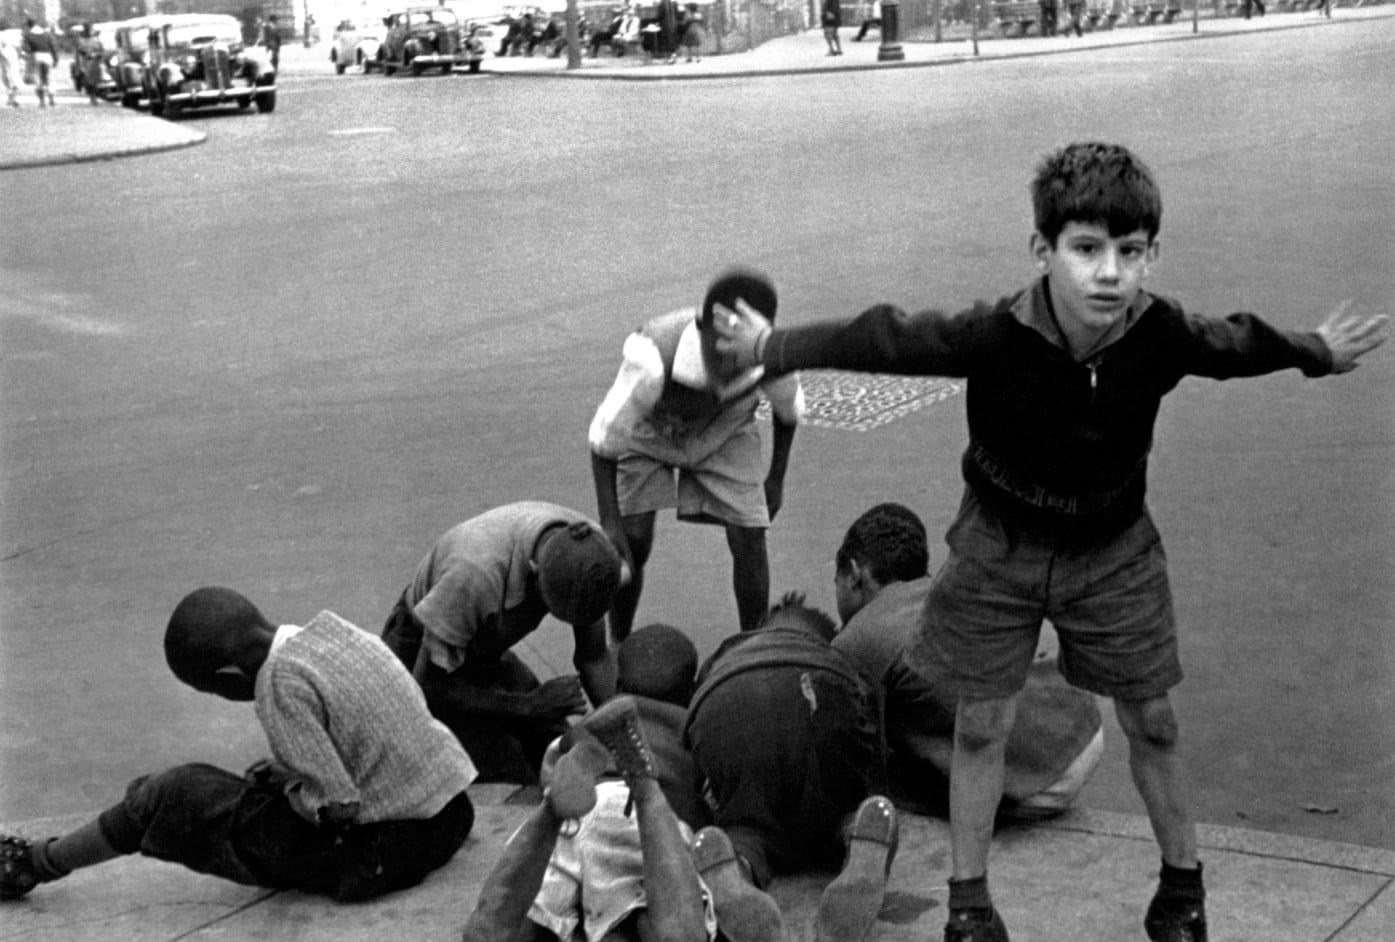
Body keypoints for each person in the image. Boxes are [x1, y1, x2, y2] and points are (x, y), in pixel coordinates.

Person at [712, 140, 1388, 942]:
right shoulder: (992, 334)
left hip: (1112, 548)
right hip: (999, 546)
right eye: (1086, 250)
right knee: (980, 723)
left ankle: (1181, 892)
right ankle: (968, 906)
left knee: (1154, 719)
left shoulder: (1157, 331)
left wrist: (1313, 351)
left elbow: (1233, 343)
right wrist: (768, 347)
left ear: (1150, 256)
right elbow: (882, 337)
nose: (1108, 273)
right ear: (1044, 252)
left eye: (1129, 253)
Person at [0, 588, 477, 904]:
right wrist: (290, 777)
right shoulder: (335, 632)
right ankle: (42, 859)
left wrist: (294, 793)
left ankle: (35, 863)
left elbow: (340, 808)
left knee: (172, 793)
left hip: (381, 855)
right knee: (265, 777)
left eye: (212, 691)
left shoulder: (279, 685)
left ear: (228, 678)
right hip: (452, 815)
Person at [463, 625, 791, 942]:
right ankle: (646, 789)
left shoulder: (589, 728)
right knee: (663, 925)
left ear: (618, 685)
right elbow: (714, 801)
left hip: (579, 811)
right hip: (648, 821)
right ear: (691, 694)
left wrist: (557, 793)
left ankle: (548, 817)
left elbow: (550, 767)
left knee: (511, 927)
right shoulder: (692, 731)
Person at [832, 503, 1104, 820]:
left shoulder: (856, 639)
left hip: (1038, 780)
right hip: (1082, 728)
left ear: (853, 574)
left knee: (873, 783)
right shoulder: (944, 589)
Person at [590, 268, 804, 643]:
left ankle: (753, 647)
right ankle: (618, 642)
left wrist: (776, 480)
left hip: (725, 429)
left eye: (736, 356)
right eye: (716, 354)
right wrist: (610, 521)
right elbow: (603, 438)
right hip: (651, 431)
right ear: (701, 329)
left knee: (751, 534)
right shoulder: (652, 354)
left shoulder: (772, 355)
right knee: (632, 539)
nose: (726, 367)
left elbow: (789, 413)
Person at [684, 597, 899, 942]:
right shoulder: (834, 654)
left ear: (761, 627)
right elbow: (874, 752)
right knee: (846, 809)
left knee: (746, 825)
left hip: (726, 701)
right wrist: (871, 792)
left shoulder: (728, 651)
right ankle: (856, 834)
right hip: (820, 690)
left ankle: (736, 865)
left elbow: (695, 759)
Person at [381, 502, 625, 785]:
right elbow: (426, 686)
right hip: (424, 657)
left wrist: (624, 735)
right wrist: (528, 706)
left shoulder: (589, 552)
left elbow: (593, 658)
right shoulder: (473, 576)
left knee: (560, 750)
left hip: (482, 648)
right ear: (534, 576)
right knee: (510, 780)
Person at [21, 18, 57, 108]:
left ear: (29, 25)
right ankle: (52, 99)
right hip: (47, 55)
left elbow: (25, 48)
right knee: (49, 78)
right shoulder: (47, 34)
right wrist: (56, 59)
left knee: (38, 78)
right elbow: (53, 46)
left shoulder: (28, 35)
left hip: (35, 55)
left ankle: (42, 101)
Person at [75, 23, 104, 105]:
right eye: (86, 30)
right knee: (88, 81)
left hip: (95, 62)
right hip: (86, 62)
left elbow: (101, 51)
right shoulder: (81, 41)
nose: (88, 32)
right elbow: (79, 53)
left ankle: (94, 97)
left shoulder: (97, 41)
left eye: (89, 30)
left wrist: (96, 54)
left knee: (95, 81)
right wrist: (80, 65)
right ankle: (92, 96)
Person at [0, 21, 22, 108]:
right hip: (13, 55)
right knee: (14, 76)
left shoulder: (1, 34)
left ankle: (11, 98)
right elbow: (19, 46)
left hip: (4, 57)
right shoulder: (13, 34)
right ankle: (13, 98)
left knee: (6, 77)